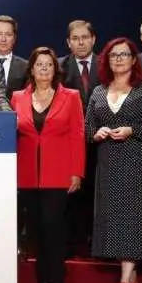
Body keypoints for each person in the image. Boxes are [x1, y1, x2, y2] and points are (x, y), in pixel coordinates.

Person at [86, 37, 142, 283]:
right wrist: (96, 133)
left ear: (134, 59)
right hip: (109, 166)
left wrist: (134, 131)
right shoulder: (98, 91)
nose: (118, 59)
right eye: (113, 55)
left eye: (124, 55)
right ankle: (132, 282)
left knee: (133, 222)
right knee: (118, 223)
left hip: (139, 163)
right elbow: (86, 128)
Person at [13, 47, 85, 283]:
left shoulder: (71, 97)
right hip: (27, 176)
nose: (44, 68)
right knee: (35, 233)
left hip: (59, 175)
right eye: (39, 64)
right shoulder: (17, 97)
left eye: (49, 65)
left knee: (54, 230)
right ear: (31, 69)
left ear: (56, 70)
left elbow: (77, 136)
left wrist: (77, 171)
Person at [58, 20, 100, 257]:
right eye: (75, 38)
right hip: (69, 143)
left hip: (101, 142)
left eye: (85, 37)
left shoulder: (107, 65)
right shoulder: (60, 67)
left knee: (97, 194)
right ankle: (73, 242)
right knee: (72, 195)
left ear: (93, 39)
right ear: (68, 42)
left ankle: (98, 243)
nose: (81, 42)